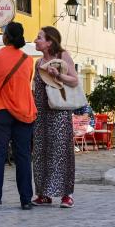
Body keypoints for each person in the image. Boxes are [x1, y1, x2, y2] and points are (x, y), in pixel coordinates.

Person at [0, 22, 37, 211]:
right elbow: (25, 82)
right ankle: (26, 200)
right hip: (23, 111)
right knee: (23, 155)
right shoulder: (28, 60)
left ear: (6, 37)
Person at [32, 26, 80, 208]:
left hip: (59, 111)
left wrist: (59, 75)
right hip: (41, 112)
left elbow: (75, 80)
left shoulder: (62, 56)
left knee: (60, 151)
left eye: (39, 37)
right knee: (41, 151)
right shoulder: (38, 62)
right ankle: (44, 194)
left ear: (49, 41)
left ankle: (66, 194)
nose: (36, 40)